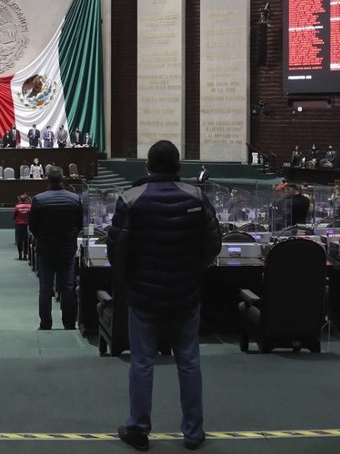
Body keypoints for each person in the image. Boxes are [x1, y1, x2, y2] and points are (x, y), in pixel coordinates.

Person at [107, 140, 221, 452]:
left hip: (144, 295)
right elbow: (214, 244)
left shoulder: (130, 198)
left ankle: (138, 430)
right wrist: (192, 270)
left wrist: (130, 281)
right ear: (179, 166)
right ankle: (193, 433)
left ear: (147, 165)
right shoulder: (196, 196)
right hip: (185, 294)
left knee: (142, 363)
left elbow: (116, 251)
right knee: (189, 362)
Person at [28, 165, 83, 330]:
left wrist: (43, 238)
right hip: (67, 249)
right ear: (63, 179)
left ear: (47, 179)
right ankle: (69, 323)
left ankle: (45, 324)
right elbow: (79, 225)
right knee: (67, 287)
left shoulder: (39, 199)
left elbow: (33, 227)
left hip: (46, 249)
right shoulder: (75, 198)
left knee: (45, 288)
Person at [13, 193, 32, 260]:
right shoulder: (30, 206)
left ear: (20, 199)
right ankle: (25, 255)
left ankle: (20, 254)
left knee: (19, 240)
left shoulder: (17, 207)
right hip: (28, 225)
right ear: (26, 199)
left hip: (19, 225)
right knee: (26, 240)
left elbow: (14, 216)